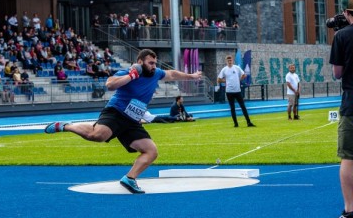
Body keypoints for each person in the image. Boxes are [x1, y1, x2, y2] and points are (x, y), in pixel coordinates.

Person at [45, 48, 202, 194]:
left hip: (132, 120)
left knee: (151, 151)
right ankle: (66, 126)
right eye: (150, 63)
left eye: (155, 63)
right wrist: (130, 76)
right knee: (98, 136)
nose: (154, 66)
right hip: (116, 112)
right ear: (140, 62)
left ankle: (129, 178)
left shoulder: (156, 73)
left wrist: (191, 76)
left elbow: (172, 74)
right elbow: (110, 84)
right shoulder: (128, 72)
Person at [329, 0, 353, 218]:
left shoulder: (342, 36)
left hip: (352, 102)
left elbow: (337, 73)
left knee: (348, 157)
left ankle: (350, 210)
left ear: (346, 13)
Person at [217, 54, 255, 128]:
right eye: (228, 60)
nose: (229, 61)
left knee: (243, 106)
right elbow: (218, 79)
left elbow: (244, 75)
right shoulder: (224, 69)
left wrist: (239, 79)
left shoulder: (237, 68)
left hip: (237, 91)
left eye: (230, 60)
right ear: (226, 61)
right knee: (232, 108)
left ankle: (248, 122)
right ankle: (236, 124)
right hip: (229, 91)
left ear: (232, 60)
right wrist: (226, 81)